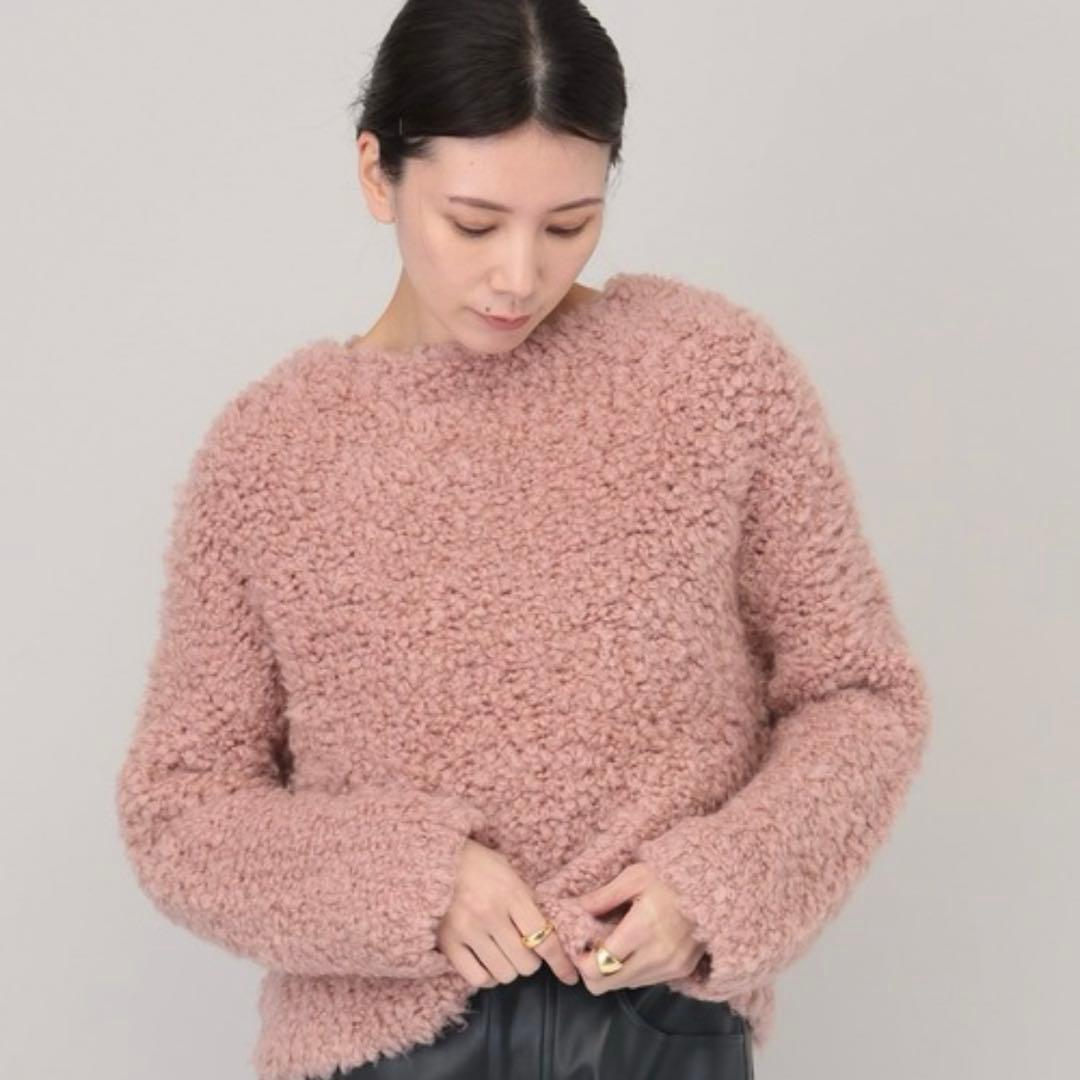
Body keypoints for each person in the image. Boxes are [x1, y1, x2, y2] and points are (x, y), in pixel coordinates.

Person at [114, 2, 932, 1079]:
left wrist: (720, 886)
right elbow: (180, 809)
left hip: (655, 1033)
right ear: (377, 174)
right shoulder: (272, 452)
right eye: (473, 223)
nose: (517, 276)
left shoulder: (711, 377)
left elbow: (861, 695)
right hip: (385, 1048)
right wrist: (407, 883)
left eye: (567, 225)